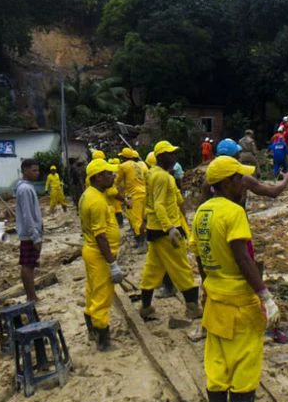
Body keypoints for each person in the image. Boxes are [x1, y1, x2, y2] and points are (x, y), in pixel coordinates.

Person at [192, 155, 281, 402]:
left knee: (217, 363)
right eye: (240, 178)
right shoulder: (233, 212)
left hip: (215, 299)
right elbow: (243, 256)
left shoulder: (202, 212)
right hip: (240, 300)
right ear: (228, 182)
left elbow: (199, 257)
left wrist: (207, 285)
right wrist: (264, 295)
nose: (244, 184)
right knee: (245, 362)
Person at [138, 140, 202, 320]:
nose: (174, 157)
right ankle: (192, 308)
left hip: (154, 229)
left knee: (152, 269)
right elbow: (159, 205)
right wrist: (170, 228)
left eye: (174, 153)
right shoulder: (162, 177)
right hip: (167, 231)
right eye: (170, 154)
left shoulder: (152, 174)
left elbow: (150, 202)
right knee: (182, 268)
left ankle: (146, 307)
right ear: (160, 157)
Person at [80, 158, 126, 351]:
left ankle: (92, 328)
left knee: (92, 291)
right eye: (108, 174)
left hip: (92, 252)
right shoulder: (96, 201)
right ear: (98, 177)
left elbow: (113, 192)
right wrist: (112, 263)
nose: (112, 176)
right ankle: (103, 340)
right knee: (102, 297)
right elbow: (100, 235)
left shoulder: (92, 193)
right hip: (99, 254)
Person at [16, 159, 45, 303]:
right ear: (25, 171)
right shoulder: (25, 189)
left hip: (31, 233)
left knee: (31, 264)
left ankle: (32, 295)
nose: (37, 173)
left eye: (37, 170)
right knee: (27, 265)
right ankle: (31, 296)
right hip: (29, 235)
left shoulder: (27, 187)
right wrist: (35, 236)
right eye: (34, 170)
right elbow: (27, 215)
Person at [115, 148, 148, 244]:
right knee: (143, 219)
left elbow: (118, 181)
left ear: (123, 157)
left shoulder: (123, 166)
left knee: (136, 220)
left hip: (133, 195)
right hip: (143, 193)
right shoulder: (138, 165)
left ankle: (141, 243)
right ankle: (144, 241)